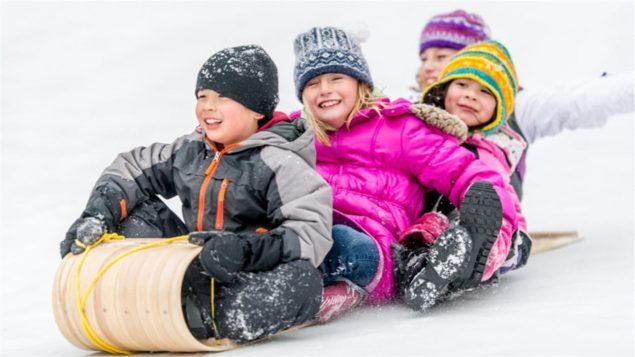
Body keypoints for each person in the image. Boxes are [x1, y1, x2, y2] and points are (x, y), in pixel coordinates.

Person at [59, 45, 333, 343]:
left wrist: (243, 250)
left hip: (248, 274)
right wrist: (98, 214)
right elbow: (132, 167)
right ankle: (141, 297)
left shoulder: (281, 162)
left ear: (257, 109)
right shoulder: (191, 150)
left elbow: (309, 233)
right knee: (134, 210)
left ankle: (213, 316)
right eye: (202, 97)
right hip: (188, 270)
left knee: (303, 283)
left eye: (223, 98)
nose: (208, 107)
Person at [291, 26, 521, 315]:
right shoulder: (296, 137)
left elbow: (471, 175)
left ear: (360, 82)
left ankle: (284, 293)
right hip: (305, 233)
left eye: (336, 78)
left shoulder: (399, 129)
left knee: (340, 241)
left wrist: (492, 241)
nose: (325, 90)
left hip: (373, 250)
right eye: (312, 84)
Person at [412, 9, 634, 198]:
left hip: (486, 214)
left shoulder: (515, 109)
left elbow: (579, 100)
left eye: (441, 57)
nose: (428, 67)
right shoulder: (408, 110)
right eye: (424, 59)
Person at [401, 40, 531, 283]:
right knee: (431, 222)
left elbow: (505, 198)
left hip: (461, 221)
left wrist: (518, 232)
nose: (471, 95)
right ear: (444, 88)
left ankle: (477, 260)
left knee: (489, 222)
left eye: (485, 92)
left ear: (499, 109)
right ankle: (427, 268)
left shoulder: (488, 151)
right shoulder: (417, 129)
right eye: (462, 84)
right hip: (414, 219)